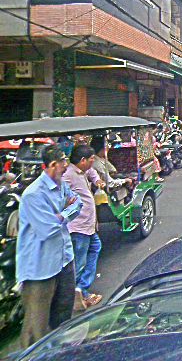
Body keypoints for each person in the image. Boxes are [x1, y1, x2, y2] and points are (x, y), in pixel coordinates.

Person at [17, 145, 82, 349]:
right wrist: (66, 213)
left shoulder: (62, 185)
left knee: (63, 314)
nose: (66, 165)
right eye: (63, 161)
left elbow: (78, 203)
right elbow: (48, 229)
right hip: (41, 268)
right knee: (37, 326)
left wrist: (62, 215)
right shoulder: (33, 194)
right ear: (53, 164)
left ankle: (60, 351)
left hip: (64, 258)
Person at [63, 144, 103, 311]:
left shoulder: (83, 171)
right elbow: (59, 195)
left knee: (95, 248)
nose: (93, 162)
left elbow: (92, 172)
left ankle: (81, 288)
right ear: (82, 160)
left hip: (88, 225)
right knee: (79, 262)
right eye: (91, 159)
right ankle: (74, 295)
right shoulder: (68, 175)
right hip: (78, 226)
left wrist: (97, 180)